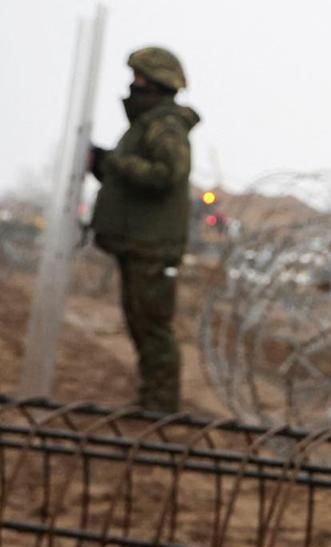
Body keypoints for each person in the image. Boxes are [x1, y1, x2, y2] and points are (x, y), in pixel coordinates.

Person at [89, 46, 199, 413]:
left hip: (152, 246)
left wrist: (116, 163)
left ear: (156, 83)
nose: (132, 86)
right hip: (138, 242)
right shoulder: (147, 124)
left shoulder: (164, 125)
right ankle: (152, 397)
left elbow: (167, 175)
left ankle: (160, 404)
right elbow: (131, 179)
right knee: (141, 324)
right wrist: (104, 164)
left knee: (152, 327)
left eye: (139, 79)